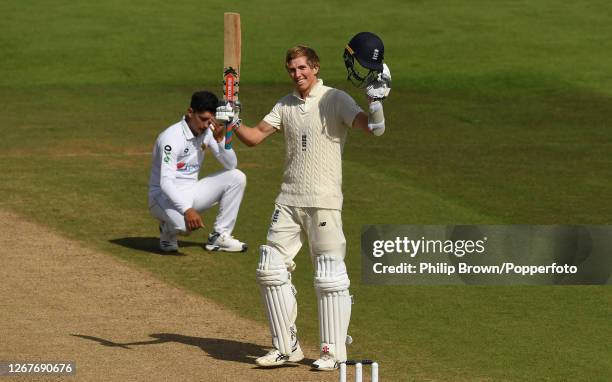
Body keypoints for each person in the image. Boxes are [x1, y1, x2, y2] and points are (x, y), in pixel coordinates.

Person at [217, 34, 391, 371]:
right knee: (269, 268)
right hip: (289, 198)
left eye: (301, 68)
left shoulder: (335, 99)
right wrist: (234, 121)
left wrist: (376, 102)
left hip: (323, 200)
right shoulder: (284, 105)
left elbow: (373, 129)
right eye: (291, 69)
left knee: (329, 274)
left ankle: (332, 351)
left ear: (315, 68)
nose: (296, 74)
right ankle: (286, 347)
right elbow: (253, 138)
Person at [148, 90, 247, 253]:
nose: (206, 125)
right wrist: (187, 210)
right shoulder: (171, 138)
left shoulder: (208, 132)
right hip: (161, 197)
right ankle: (167, 230)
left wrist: (220, 140)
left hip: (191, 191)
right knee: (185, 226)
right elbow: (165, 183)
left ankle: (219, 236)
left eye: (210, 120)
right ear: (190, 112)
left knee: (237, 177)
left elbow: (231, 164)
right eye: (202, 119)